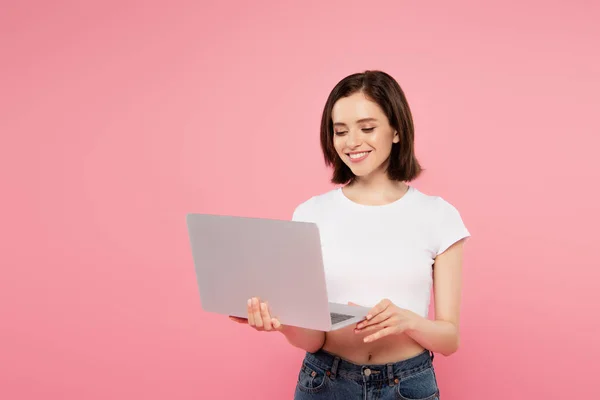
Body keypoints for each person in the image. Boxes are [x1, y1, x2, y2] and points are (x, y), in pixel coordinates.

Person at [230, 70, 470, 399]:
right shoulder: (310, 214)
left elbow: (450, 340)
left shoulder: (439, 215)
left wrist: (407, 321)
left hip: (407, 385)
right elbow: (313, 339)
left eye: (367, 128)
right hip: (324, 381)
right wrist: (281, 322)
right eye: (340, 131)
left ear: (397, 130)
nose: (352, 142)